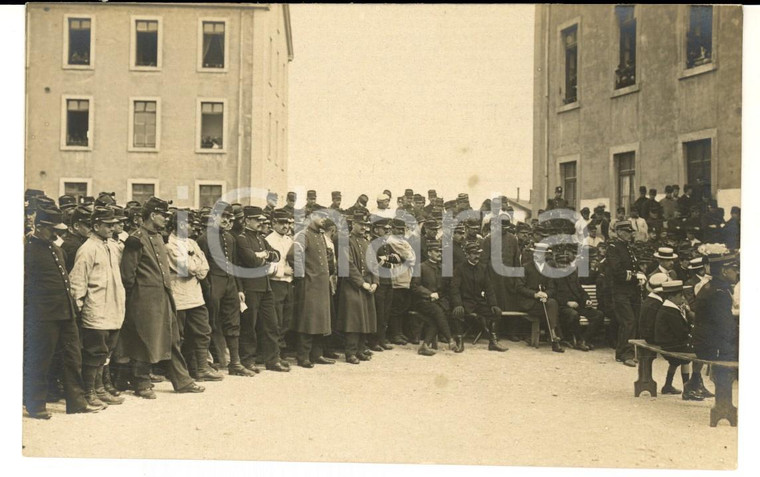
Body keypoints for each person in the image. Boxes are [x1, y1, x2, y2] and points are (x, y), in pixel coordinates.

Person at [118, 197, 205, 398]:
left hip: (164, 297)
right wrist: (134, 302)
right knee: (144, 340)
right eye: (162, 215)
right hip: (143, 300)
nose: (166, 219)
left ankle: (182, 380)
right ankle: (142, 383)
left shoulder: (159, 237)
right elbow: (127, 276)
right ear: (151, 215)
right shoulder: (135, 239)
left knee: (172, 338)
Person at [24, 206, 105, 419]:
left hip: (65, 313)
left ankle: (77, 402)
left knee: (73, 358)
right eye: (52, 229)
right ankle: (35, 405)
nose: (56, 234)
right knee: (41, 359)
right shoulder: (27, 250)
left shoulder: (56, 248)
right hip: (43, 316)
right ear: (39, 227)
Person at [69, 207, 127, 407]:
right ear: (96, 226)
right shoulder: (87, 249)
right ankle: (89, 391)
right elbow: (78, 282)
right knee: (94, 352)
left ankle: (101, 388)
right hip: (96, 310)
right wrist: (78, 307)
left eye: (113, 224)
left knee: (107, 352)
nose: (113, 228)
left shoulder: (110, 246)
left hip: (113, 308)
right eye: (108, 225)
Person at [196, 202, 256, 377]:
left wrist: (239, 288)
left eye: (229, 217)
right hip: (213, 283)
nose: (227, 220)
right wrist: (208, 288)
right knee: (209, 323)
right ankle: (207, 362)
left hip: (229, 284)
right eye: (223, 217)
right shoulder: (204, 239)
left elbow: (234, 264)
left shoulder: (230, 238)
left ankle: (235, 363)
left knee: (233, 322)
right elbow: (202, 267)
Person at [165, 210, 223, 382]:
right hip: (180, 297)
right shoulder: (170, 245)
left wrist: (195, 266)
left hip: (195, 296)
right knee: (180, 336)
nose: (194, 227)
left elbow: (204, 268)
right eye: (191, 224)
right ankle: (180, 371)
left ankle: (201, 368)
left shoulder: (192, 243)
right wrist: (195, 266)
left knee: (202, 331)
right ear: (182, 225)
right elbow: (186, 268)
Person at [236, 206, 290, 373]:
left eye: (262, 220)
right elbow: (250, 260)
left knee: (271, 325)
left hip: (265, 287)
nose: (261, 223)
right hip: (250, 287)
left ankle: (272, 360)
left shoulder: (261, 239)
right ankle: (247, 361)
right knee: (249, 326)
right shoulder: (242, 239)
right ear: (247, 221)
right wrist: (265, 256)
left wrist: (262, 255)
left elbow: (277, 255)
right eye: (257, 220)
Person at [685, 253, 739, 398]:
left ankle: (693, 384)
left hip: (703, 341)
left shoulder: (710, 287)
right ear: (723, 271)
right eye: (734, 269)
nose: (737, 272)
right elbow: (725, 327)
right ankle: (724, 401)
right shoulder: (719, 292)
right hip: (711, 346)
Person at [288, 208, 334, 368]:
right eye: (321, 217)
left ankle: (317, 354)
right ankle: (303, 356)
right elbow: (293, 255)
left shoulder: (321, 235)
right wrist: (303, 275)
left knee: (320, 321)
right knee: (308, 321)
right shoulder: (303, 234)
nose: (324, 220)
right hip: (309, 285)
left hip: (321, 286)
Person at [336, 212, 378, 364]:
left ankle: (361, 349)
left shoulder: (367, 243)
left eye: (366, 225)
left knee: (365, 318)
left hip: (367, 284)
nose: (364, 228)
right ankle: (350, 352)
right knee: (353, 320)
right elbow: (348, 265)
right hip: (352, 285)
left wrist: (375, 282)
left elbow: (373, 265)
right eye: (361, 224)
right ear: (353, 224)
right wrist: (362, 283)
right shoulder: (346, 242)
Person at [450, 243, 508, 352]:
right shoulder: (460, 268)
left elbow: (489, 288)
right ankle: (460, 342)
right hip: (465, 302)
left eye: (478, 254)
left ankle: (493, 342)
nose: (477, 256)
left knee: (496, 312)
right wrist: (458, 304)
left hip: (478, 302)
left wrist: (493, 304)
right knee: (458, 312)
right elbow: (455, 288)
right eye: (473, 254)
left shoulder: (482, 268)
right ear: (467, 255)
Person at [607, 220, 646, 367]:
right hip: (620, 291)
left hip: (631, 290)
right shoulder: (613, 248)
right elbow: (617, 272)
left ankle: (622, 352)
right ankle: (626, 354)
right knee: (628, 321)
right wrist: (635, 276)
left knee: (632, 321)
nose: (630, 235)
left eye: (631, 232)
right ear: (619, 232)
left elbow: (632, 268)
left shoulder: (628, 248)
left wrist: (638, 276)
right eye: (627, 232)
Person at [653, 280, 701, 400]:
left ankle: (668, 385)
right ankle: (688, 389)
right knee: (701, 352)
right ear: (671, 297)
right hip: (672, 345)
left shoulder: (668, 307)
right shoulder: (671, 311)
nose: (683, 299)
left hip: (667, 343)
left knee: (677, 360)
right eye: (681, 296)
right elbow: (682, 333)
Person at [514, 243, 563, 352]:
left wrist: (546, 294)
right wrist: (535, 294)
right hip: (528, 301)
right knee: (551, 307)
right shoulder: (525, 268)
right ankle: (554, 337)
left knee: (552, 303)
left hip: (544, 301)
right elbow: (519, 287)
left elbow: (552, 288)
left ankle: (553, 337)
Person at [410, 240, 455, 355]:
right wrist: (429, 294)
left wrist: (439, 295)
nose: (439, 253)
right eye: (436, 251)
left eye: (440, 251)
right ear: (429, 253)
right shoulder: (421, 267)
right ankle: (450, 339)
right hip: (422, 301)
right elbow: (414, 286)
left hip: (438, 301)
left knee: (436, 318)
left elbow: (446, 288)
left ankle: (425, 345)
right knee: (437, 312)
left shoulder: (443, 268)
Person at [554, 250, 604, 351]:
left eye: (566, 263)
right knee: (573, 315)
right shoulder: (553, 277)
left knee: (598, 314)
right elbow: (553, 293)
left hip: (578, 305)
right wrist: (566, 302)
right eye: (562, 263)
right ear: (557, 264)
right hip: (562, 307)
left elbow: (581, 290)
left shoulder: (572, 275)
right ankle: (577, 339)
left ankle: (584, 339)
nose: (564, 266)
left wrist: (587, 300)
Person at [266, 209, 295, 352]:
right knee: (276, 319)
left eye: (288, 223)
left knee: (287, 319)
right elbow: (267, 265)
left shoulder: (289, 240)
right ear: (274, 223)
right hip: (275, 283)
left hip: (288, 283)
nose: (286, 226)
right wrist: (284, 271)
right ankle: (275, 352)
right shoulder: (268, 240)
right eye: (282, 223)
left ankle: (281, 350)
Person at [367, 216, 397, 351]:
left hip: (388, 281)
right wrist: (387, 260)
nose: (387, 231)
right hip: (378, 282)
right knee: (378, 313)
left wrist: (386, 260)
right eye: (384, 229)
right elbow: (374, 264)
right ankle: (374, 341)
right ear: (376, 229)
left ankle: (382, 339)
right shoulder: (372, 244)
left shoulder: (386, 244)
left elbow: (398, 259)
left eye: (388, 229)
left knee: (386, 312)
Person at [61, 205, 92, 272]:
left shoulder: (73, 241)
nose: (92, 229)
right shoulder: (73, 246)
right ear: (76, 226)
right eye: (89, 226)